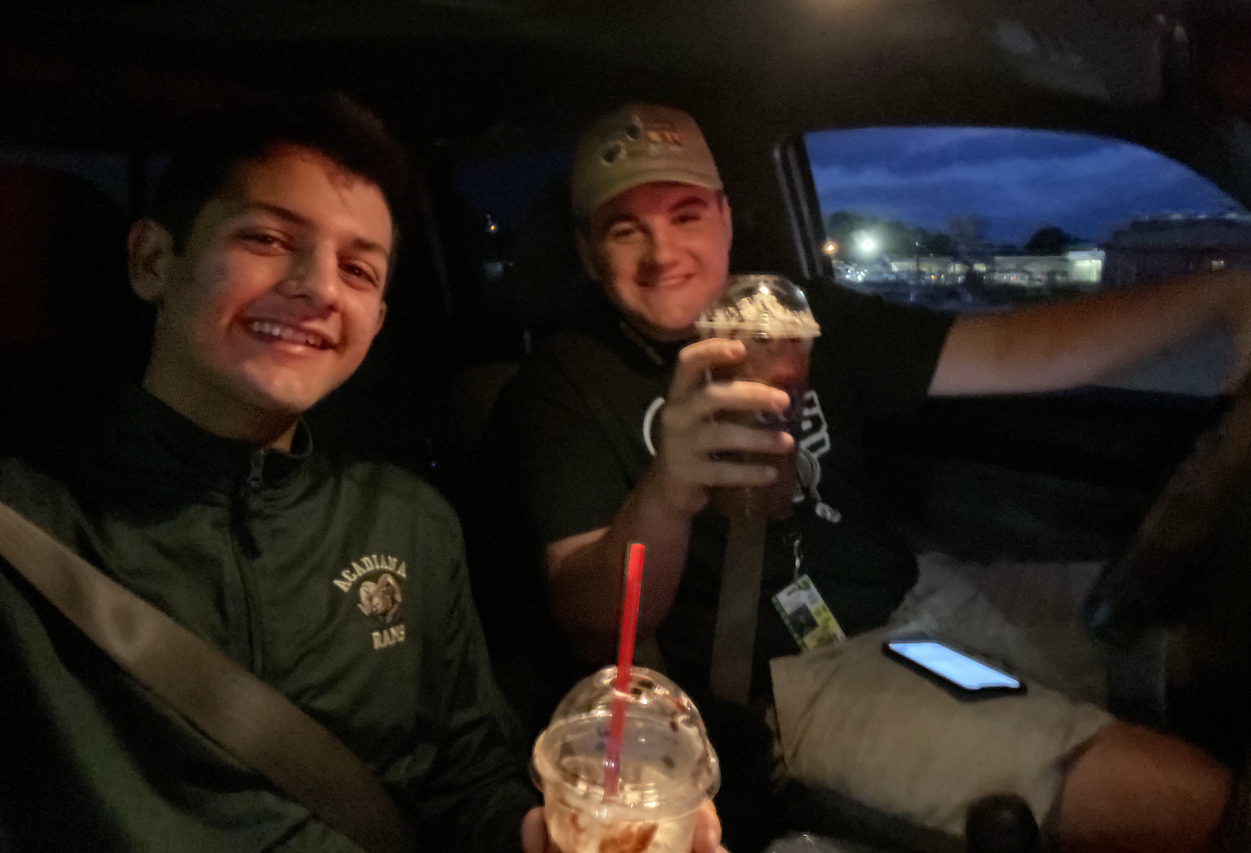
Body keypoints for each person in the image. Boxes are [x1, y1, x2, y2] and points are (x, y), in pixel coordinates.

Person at [485, 103, 1245, 853]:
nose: (662, 252)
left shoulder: (793, 314)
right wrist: (670, 486)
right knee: (1187, 797)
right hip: (793, 676)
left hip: (920, 594)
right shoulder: (563, 383)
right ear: (586, 252)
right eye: (626, 230)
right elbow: (592, 619)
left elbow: (1018, 349)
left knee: (1200, 634)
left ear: (723, 216)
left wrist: (1220, 296)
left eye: (685, 214)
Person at [0, 94, 722, 853]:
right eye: (268, 238)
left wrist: (543, 836)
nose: (316, 286)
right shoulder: (26, 535)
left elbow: (465, 777)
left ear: (373, 320)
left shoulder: (406, 522)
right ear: (152, 259)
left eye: (356, 267)